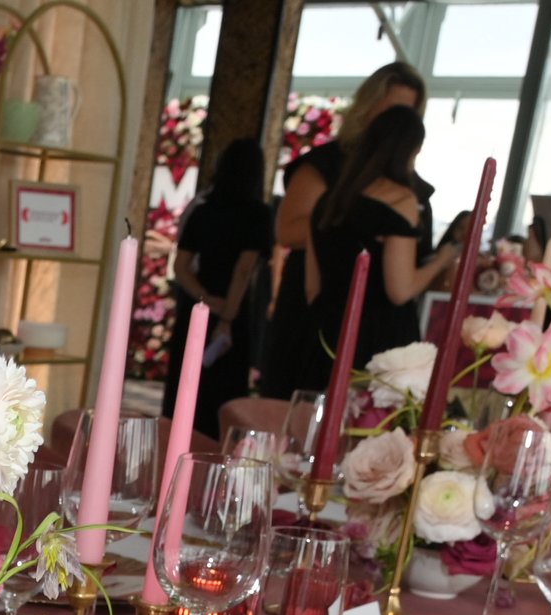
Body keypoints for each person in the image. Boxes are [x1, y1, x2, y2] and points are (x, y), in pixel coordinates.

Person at [260, 61, 428, 399]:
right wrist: (356, 221)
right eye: (391, 109)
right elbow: (287, 231)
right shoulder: (326, 164)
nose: (396, 121)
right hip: (321, 314)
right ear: (369, 107)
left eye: (408, 113)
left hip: (383, 329)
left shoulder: (409, 185)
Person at [307, 107, 461, 381]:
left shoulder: (329, 201)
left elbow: (312, 288)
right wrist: (441, 261)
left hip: (327, 334)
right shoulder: (400, 200)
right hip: (379, 342)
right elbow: (400, 291)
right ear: (412, 150)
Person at [165, 137, 274, 437]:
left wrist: (204, 298)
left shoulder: (203, 211)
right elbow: (243, 270)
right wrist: (227, 315)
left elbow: (181, 267)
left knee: (186, 391)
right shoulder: (258, 214)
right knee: (221, 399)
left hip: (197, 306)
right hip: (233, 309)